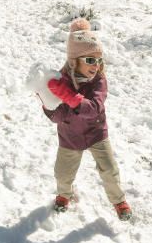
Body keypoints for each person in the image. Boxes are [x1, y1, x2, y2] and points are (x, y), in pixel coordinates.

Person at [42, 18, 132, 221]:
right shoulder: (63, 80)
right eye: (90, 60)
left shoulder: (99, 80)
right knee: (62, 173)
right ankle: (64, 195)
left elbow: (94, 108)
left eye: (99, 60)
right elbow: (59, 117)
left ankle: (119, 201)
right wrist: (48, 103)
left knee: (109, 169)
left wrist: (70, 97)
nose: (96, 65)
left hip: (96, 133)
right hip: (70, 136)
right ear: (75, 60)